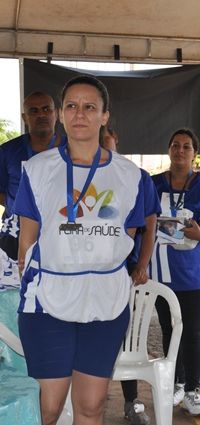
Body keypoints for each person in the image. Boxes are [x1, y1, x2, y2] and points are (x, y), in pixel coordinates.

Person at [14, 75, 146, 425]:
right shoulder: (39, 169)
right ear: (61, 114)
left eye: (90, 107)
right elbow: (27, 241)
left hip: (106, 304)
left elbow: (126, 236)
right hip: (49, 303)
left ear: (105, 116)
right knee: (47, 408)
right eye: (71, 106)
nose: (80, 114)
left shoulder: (130, 175)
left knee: (91, 406)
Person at [148, 128, 200, 417]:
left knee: (192, 332)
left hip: (193, 273)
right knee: (169, 329)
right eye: (175, 145)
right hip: (161, 270)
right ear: (168, 149)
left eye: (186, 146)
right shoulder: (153, 184)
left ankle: (193, 390)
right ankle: (176, 384)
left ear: (195, 153)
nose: (180, 150)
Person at [102, 126, 161, 425]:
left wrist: (142, 265)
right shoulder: (74, 175)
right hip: (86, 272)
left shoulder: (137, 177)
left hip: (125, 268)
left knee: (127, 335)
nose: (101, 147)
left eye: (106, 142)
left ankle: (131, 400)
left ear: (117, 142)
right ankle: (84, 402)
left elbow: (150, 226)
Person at [0, 91, 62, 260]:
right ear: (24, 117)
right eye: (33, 111)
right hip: (15, 235)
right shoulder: (7, 151)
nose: (41, 115)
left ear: (56, 114)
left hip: (59, 234)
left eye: (46, 109)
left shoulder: (71, 150)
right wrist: (19, 205)